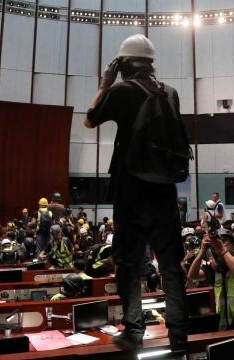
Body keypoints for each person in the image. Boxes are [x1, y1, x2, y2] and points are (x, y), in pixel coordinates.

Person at [84, 34, 188, 352]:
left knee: (128, 263)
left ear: (123, 64)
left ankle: (134, 330)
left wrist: (104, 83)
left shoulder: (121, 90)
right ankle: (178, 336)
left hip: (131, 190)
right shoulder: (170, 93)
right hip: (165, 191)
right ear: (151, 63)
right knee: (171, 265)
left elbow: (90, 121)